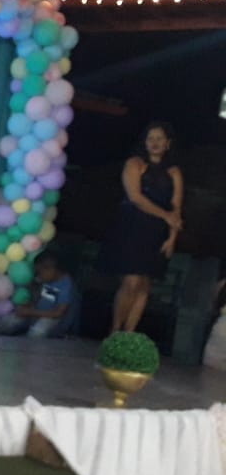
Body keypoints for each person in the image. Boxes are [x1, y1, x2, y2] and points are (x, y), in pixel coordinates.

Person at [101, 122, 183, 333]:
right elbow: (135, 197)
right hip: (132, 225)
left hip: (157, 231)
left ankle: (129, 333)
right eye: (150, 138)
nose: (155, 143)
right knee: (131, 280)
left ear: (168, 143)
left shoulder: (174, 172)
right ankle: (115, 330)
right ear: (144, 142)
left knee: (145, 285)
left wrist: (172, 238)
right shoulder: (134, 163)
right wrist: (165, 215)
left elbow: (176, 208)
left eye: (159, 138)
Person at [0, 249, 79, 338]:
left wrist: (30, 312)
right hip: (38, 313)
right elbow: (45, 300)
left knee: (36, 332)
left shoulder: (66, 286)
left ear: (50, 269)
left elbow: (58, 313)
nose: (38, 276)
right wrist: (29, 306)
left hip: (54, 320)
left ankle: (27, 346)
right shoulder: (50, 280)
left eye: (39, 272)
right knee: (11, 319)